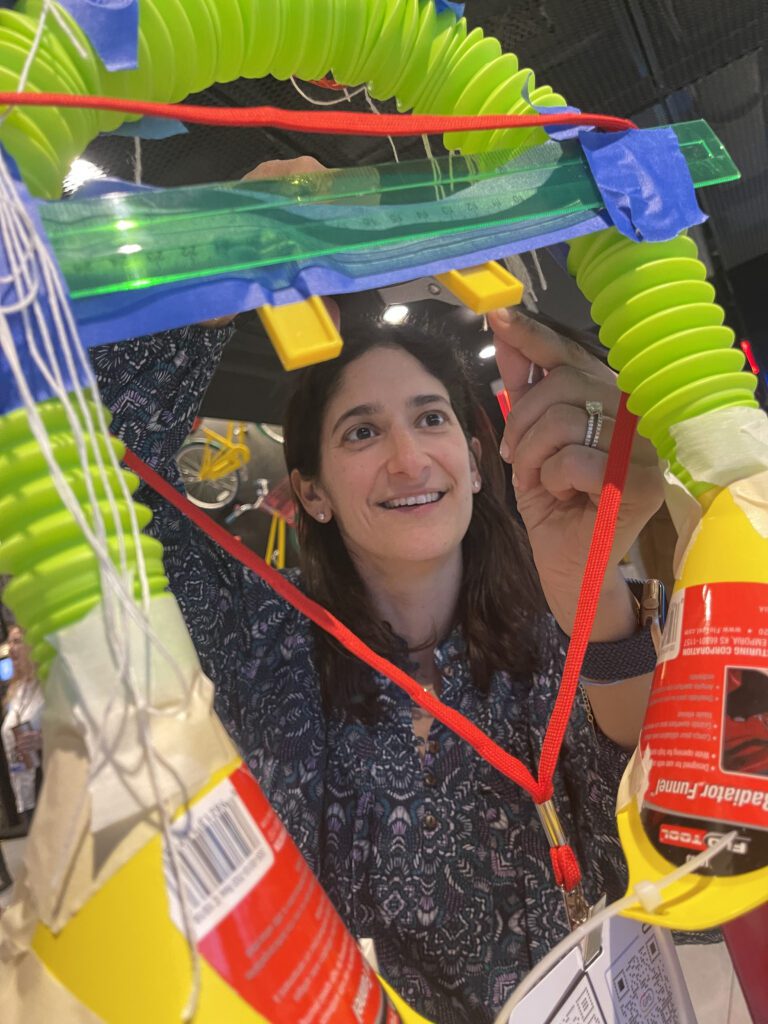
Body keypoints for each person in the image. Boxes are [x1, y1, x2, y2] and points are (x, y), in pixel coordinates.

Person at [88, 160, 665, 1024]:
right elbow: (87, 475)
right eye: (363, 431)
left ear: (474, 459)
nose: (408, 458)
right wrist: (219, 257)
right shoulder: (259, 635)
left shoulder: (547, 616)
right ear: (312, 491)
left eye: (432, 418)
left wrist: (595, 596)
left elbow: (664, 812)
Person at [0, 626, 43, 829]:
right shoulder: (16, 690)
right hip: (24, 792)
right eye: (9, 642)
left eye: (17, 641)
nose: (10, 647)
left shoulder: (47, 684)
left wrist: (43, 739)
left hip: (48, 787)